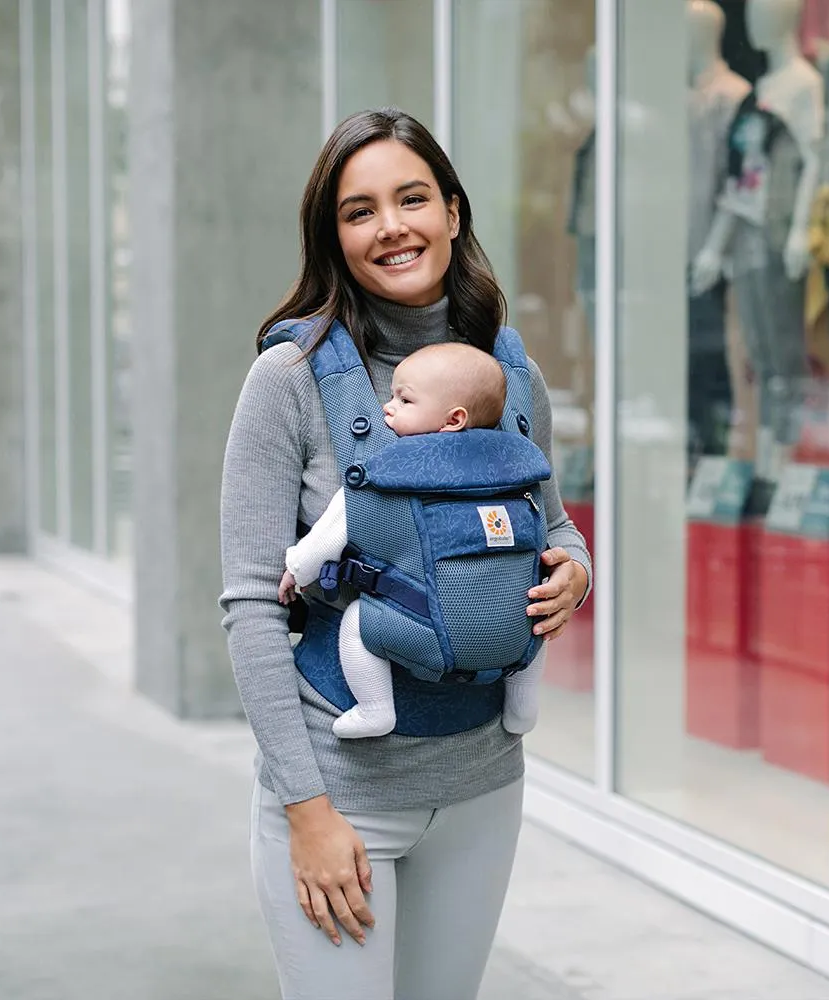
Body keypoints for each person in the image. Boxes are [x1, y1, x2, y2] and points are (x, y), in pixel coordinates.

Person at [219, 107, 591, 1000]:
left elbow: (556, 523)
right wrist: (305, 808)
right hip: (341, 796)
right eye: (359, 210)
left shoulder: (510, 375)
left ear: (453, 213)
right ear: (334, 235)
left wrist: (576, 571)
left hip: (483, 784)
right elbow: (248, 604)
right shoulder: (292, 380)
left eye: (412, 198)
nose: (391, 226)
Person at [277, 340, 548, 740]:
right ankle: (522, 703)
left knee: (356, 624)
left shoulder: (387, 472)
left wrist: (296, 570)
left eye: (404, 400)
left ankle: (375, 710)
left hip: (429, 635)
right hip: (513, 635)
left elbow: (327, 538)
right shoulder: (514, 464)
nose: (387, 407)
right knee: (538, 617)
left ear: (453, 419)